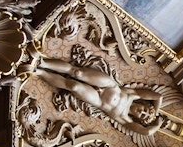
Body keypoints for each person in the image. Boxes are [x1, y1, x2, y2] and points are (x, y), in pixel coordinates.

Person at [29, 55, 163, 137]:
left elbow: (147, 132)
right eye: (146, 110)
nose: (142, 112)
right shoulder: (133, 95)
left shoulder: (125, 119)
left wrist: (156, 125)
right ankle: (43, 62)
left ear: (138, 119)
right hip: (109, 85)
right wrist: (155, 113)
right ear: (144, 103)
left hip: (98, 100)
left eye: (143, 116)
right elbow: (158, 97)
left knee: (73, 86)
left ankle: (39, 72)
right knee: (77, 73)